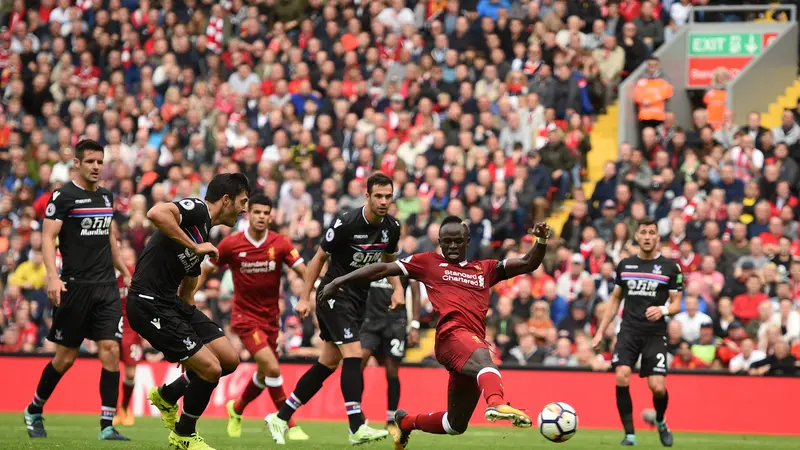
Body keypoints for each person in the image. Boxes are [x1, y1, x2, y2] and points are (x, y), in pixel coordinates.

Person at [320, 216, 552, 449]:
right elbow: (383, 268)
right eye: (446, 241)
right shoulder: (428, 263)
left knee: (455, 424)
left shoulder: (486, 269)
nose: (452, 246)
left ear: (467, 241)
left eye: (457, 241)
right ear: (439, 242)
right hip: (451, 336)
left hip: (469, 344)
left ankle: (405, 423)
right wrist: (340, 280)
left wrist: (540, 240)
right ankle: (496, 402)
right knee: (485, 361)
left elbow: (527, 263)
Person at [266, 172, 402, 445]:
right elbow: (318, 258)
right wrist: (304, 298)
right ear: (367, 195)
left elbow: (388, 260)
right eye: (378, 196)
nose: (384, 201)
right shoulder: (347, 223)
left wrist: (397, 287)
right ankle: (356, 426)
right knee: (353, 353)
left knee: (328, 363)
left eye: (388, 196)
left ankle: (281, 416)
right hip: (333, 294)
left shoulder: (392, 227)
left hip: (358, 299)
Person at [126, 173, 250, 450]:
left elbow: (188, 286)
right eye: (242, 202)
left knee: (229, 360)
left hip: (172, 302)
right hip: (147, 303)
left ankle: (168, 395)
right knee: (210, 370)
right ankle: (184, 435)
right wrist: (195, 246)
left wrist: (192, 339)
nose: (244, 209)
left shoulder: (204, 232)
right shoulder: (197, 209)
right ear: (226, 199)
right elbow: (156, 212)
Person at [24, 139, 131, 441]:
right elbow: (47, 239)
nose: (97, 167)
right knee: (66, 358)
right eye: (91, 162)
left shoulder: (106, 196)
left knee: (110, 349)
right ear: (78, 163)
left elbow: (109, 238)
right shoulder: (63, 196)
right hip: (75, 288)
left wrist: (123, 269)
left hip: (106, 288)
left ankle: (107, 426)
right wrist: (52, 276)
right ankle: (34, 408)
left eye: (100, 161)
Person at [195, 195, 309, 441]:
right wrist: (190, 296)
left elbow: (303, 269)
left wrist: (306, 296)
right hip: (245, 318)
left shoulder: (280, 243)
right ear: (248, 214)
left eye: (266, 213)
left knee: (263, 372)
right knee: (273, 367)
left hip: (271, 319)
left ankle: (236, 409)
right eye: (256, 212)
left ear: (271, 216)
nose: (261, 216)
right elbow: (206, 269)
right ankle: (287, 420)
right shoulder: (231, 244)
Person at [592, 218, 683, 447]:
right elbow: (615, 300)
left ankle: (660, 420)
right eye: (643, 232)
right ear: (637, 237)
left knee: (657, 387)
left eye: (652, 232)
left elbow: (676, 304)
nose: (647, 236)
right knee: (622, 375)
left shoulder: (670, 267)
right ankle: (630, 434)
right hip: (629, 331)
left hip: (654, 333)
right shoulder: (625, 265)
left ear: (657, 237)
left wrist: (662, 309)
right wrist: (600, 332)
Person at [360, 269, 421, 433]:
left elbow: (415, 291)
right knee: (358, 362)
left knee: (392, 370)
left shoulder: (405, 262)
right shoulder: (370, 259)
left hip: (395, 322)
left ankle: (391, 418)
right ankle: (356, 413)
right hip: (369, 321)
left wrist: (415, 324)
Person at [114, 247, 141, 427]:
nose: (127, 261)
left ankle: (125, 406)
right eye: (123, 257)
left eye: (130, 257)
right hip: (113, 324)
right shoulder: (110, 277)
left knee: (130, 372)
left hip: (132, 328)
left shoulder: (138, 275)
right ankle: (113, 409)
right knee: (112, 369)